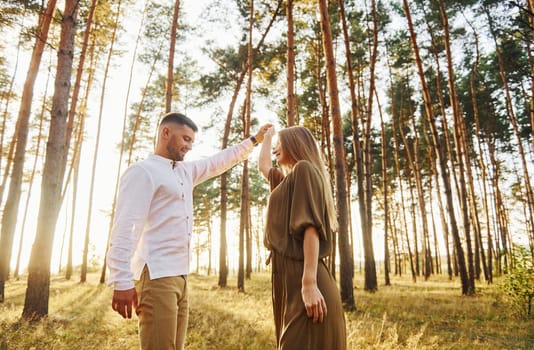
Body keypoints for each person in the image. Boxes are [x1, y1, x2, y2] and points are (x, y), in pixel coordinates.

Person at [107, 112, 272, 350]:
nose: (189, 147)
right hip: (156, 276)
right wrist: (121, 280)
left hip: (181, 276)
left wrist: (254, 140)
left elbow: (220, 160)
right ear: (166, 133)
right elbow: (125, 227)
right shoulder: (143, 172)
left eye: (192, 142)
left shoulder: (185, 171)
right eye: (185, 139)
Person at [258, 125, 347, 350]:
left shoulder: (304, 170)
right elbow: (263, 166)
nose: (276, 149)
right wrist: (266, 138)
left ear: (294, 145)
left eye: (280, 143)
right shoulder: (287, 184)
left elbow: (310, 229)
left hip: (304, 277)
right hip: (288, 279)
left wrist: (308, 283)